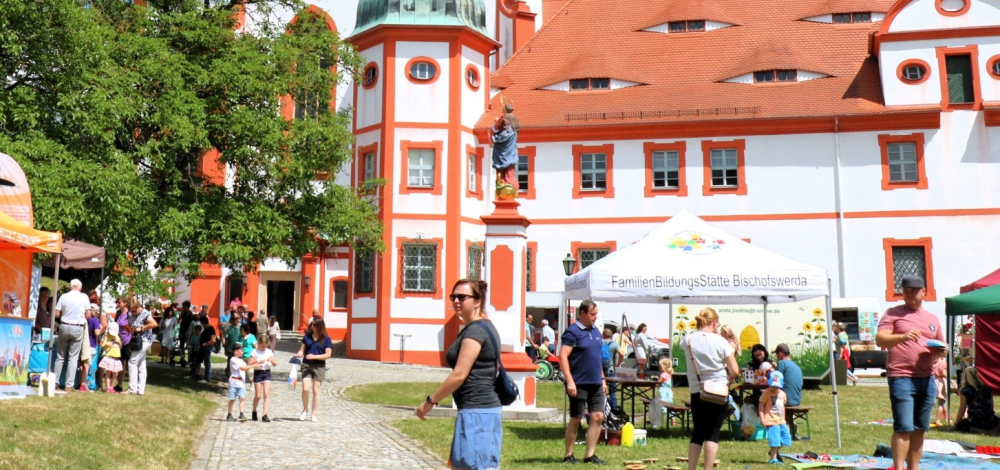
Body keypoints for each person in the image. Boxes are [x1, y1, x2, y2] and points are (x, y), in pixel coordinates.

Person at [416, 279, 503, 470]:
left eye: (462, 297)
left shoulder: (476, 331)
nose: (456, 301)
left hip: (476, 412)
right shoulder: (483, 327)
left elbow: (459, 374)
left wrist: (430, 402)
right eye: (453, 296)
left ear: (478, 301)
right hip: (480, 411)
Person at [875, 275, 946, 470]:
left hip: (927, 378)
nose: (909, 293)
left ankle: (914, 468)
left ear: (924, 292)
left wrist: (940, 352)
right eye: (906, 290)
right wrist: (903, 336)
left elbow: (943, 346)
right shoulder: (893, 313)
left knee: (920, 429)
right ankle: (899, 468)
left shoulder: (932, 318)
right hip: (902, 377)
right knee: (903, 428)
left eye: (914, 290)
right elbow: (880, 339)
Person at [681, 308, 740, 470]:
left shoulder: (688, 339)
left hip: (697, 391)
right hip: (719, 392)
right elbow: (734, 370)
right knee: (712, 434)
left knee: (697, 433)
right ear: (714, 322)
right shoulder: (720, 341)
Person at [559, 300, 608, 465]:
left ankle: (589, 455)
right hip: (578, 382)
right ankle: (568, 454)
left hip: (596, 383)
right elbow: (563, 356)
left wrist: (602, 379)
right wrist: (570, 381)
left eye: (596, 314)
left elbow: (597, 358)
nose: (595, 317)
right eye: (592, 314)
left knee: (598, 417)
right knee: (576, 419)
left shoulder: (596, 331)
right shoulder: (572, 332)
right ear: (583, 313)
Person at [52, 279, 91, 392]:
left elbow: (57, 314)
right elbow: (88, 315)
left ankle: (55, 382)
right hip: (77, 327)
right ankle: (69, 385)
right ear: (80, 287)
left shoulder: (64, 296)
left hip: (64, 325)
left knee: (60, 357)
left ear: (70, 287)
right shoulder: (84, 297)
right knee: (73, 358)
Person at [294, 317, 333, 422]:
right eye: (311, 324)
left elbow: (328, 355)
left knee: (316, 391)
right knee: (305, 389)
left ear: (320, 326)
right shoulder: (307, 336)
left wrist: (314, 356)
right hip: (306, 364)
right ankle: (304, 410)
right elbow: (302, 350)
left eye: (314, 325)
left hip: (319, 366)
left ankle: (314, 414)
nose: (312, 327)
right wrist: (299, 354)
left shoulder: (326, 339)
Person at [759, 370, 791, 465]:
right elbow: (761, 405)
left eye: (776, 386)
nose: (774, 388)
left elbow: (782, 408)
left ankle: (774, 451)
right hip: (771, 420)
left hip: (781, 420)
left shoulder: (782, 394)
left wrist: (785, 421)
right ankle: (773, 459)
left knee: (786, 438)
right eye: (772, 385)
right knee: (775, 440)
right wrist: (762, 418)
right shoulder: (766, 393)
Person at [955, 366, 998, 434]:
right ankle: (991, 429)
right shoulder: (986, 388)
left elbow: (962, 410)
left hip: (975, 420)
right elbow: (991, 406)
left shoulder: (965, 391)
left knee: (962, 424)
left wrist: (956, 424)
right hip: (990, 419)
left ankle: (977, 430)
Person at [127, 300, 157, 395]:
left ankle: (132, 388)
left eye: (134, 311)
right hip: (136, 340)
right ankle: (140, 390)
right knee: (141, 364)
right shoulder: (132, 314)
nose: (132, 313)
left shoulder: (145, 313)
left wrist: (142, 328)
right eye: (131, 311)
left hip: (144, 340)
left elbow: (154, 324)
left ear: (138, 307)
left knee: (132, 361)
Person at [773, 343, 803, 439]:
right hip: (796, 399)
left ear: (781, 353)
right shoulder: (796, 365)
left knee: (764, 400)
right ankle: (791, 429)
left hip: (786, 400)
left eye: (776, 354)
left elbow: (775, 380)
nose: (776, 357)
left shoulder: (782, 363)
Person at [490, 103, 519, 197]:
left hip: (504, 146)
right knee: (509, 165)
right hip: (511, 147)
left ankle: (504, 180)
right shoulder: (514, 120)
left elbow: (497, 129)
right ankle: (508, 180)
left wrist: (495, 138)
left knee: (503, 163)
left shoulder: (504, 118)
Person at [249, 335, 277, 422]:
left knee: (266, 394)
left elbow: (275, 363)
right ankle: (254, 410)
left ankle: (265, 414)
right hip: (258, 373)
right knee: (258, 395)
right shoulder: (255, 351)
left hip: (267, 372)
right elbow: (250, 363)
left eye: (265, 346)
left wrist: (271, 360)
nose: (263, 348)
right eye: (261, 346)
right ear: (259, 344)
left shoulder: (269, 352)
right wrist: (258, 361)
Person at [227, 343, 251, 421]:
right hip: (234, 383)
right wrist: (254, 366)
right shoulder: (233, 360)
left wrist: (255, 363)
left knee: (242, 398)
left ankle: (242, 413)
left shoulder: (241, 360)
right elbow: (243, 368)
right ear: (235, 351)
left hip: (241, 383)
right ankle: (229, 414)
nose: (242, 352)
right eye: (241, 350)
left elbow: (246, 367)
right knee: (232, 399)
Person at [77, 305, 99, 392]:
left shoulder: (83, 319)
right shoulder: (95, 320)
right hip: (91, 345)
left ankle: (80, 384)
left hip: (81, 344)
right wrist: (103, 329)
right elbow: (97, 333)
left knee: (81, 365)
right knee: (87, 365)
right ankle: (83, 385)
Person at [602, 327, 624, 410]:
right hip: (611, 370)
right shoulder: (614, 344)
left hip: (600, 370)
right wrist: (618, 363)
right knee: (613, 391)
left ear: (602, 335)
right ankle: (614, 409)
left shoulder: (599, 343)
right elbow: (622, 353)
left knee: (600, 391)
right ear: (611, 336)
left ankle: (602, 408)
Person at [99, 322, 123, 394]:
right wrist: (107, 344)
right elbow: (103, 345)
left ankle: (112, 386)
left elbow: (120, 347)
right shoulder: (107, 336)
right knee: (108, 373)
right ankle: (108, 387)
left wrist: (119, 343)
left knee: (115, 373)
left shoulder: (117, 337)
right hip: (109, 357)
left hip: (116, 358)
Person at [932, 357, 948, 426]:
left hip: (933, 380)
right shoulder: (942, 363)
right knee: (941, 402)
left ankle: (946, 418)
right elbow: (944, 373)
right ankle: (938, 420)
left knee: (943, 402)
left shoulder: (932, 361)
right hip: (941, 382)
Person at [178, 301, 193, 367]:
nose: (182, 307)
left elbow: (190, 324)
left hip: (187, 331)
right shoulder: (183, 312)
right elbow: (180, 319)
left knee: (188, 346)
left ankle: (190, 360)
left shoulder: (190, 314)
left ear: (187, 306)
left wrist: (187, 333)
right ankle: (182, 358)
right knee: (181, 346)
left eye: (183, 306)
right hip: (182, 330)